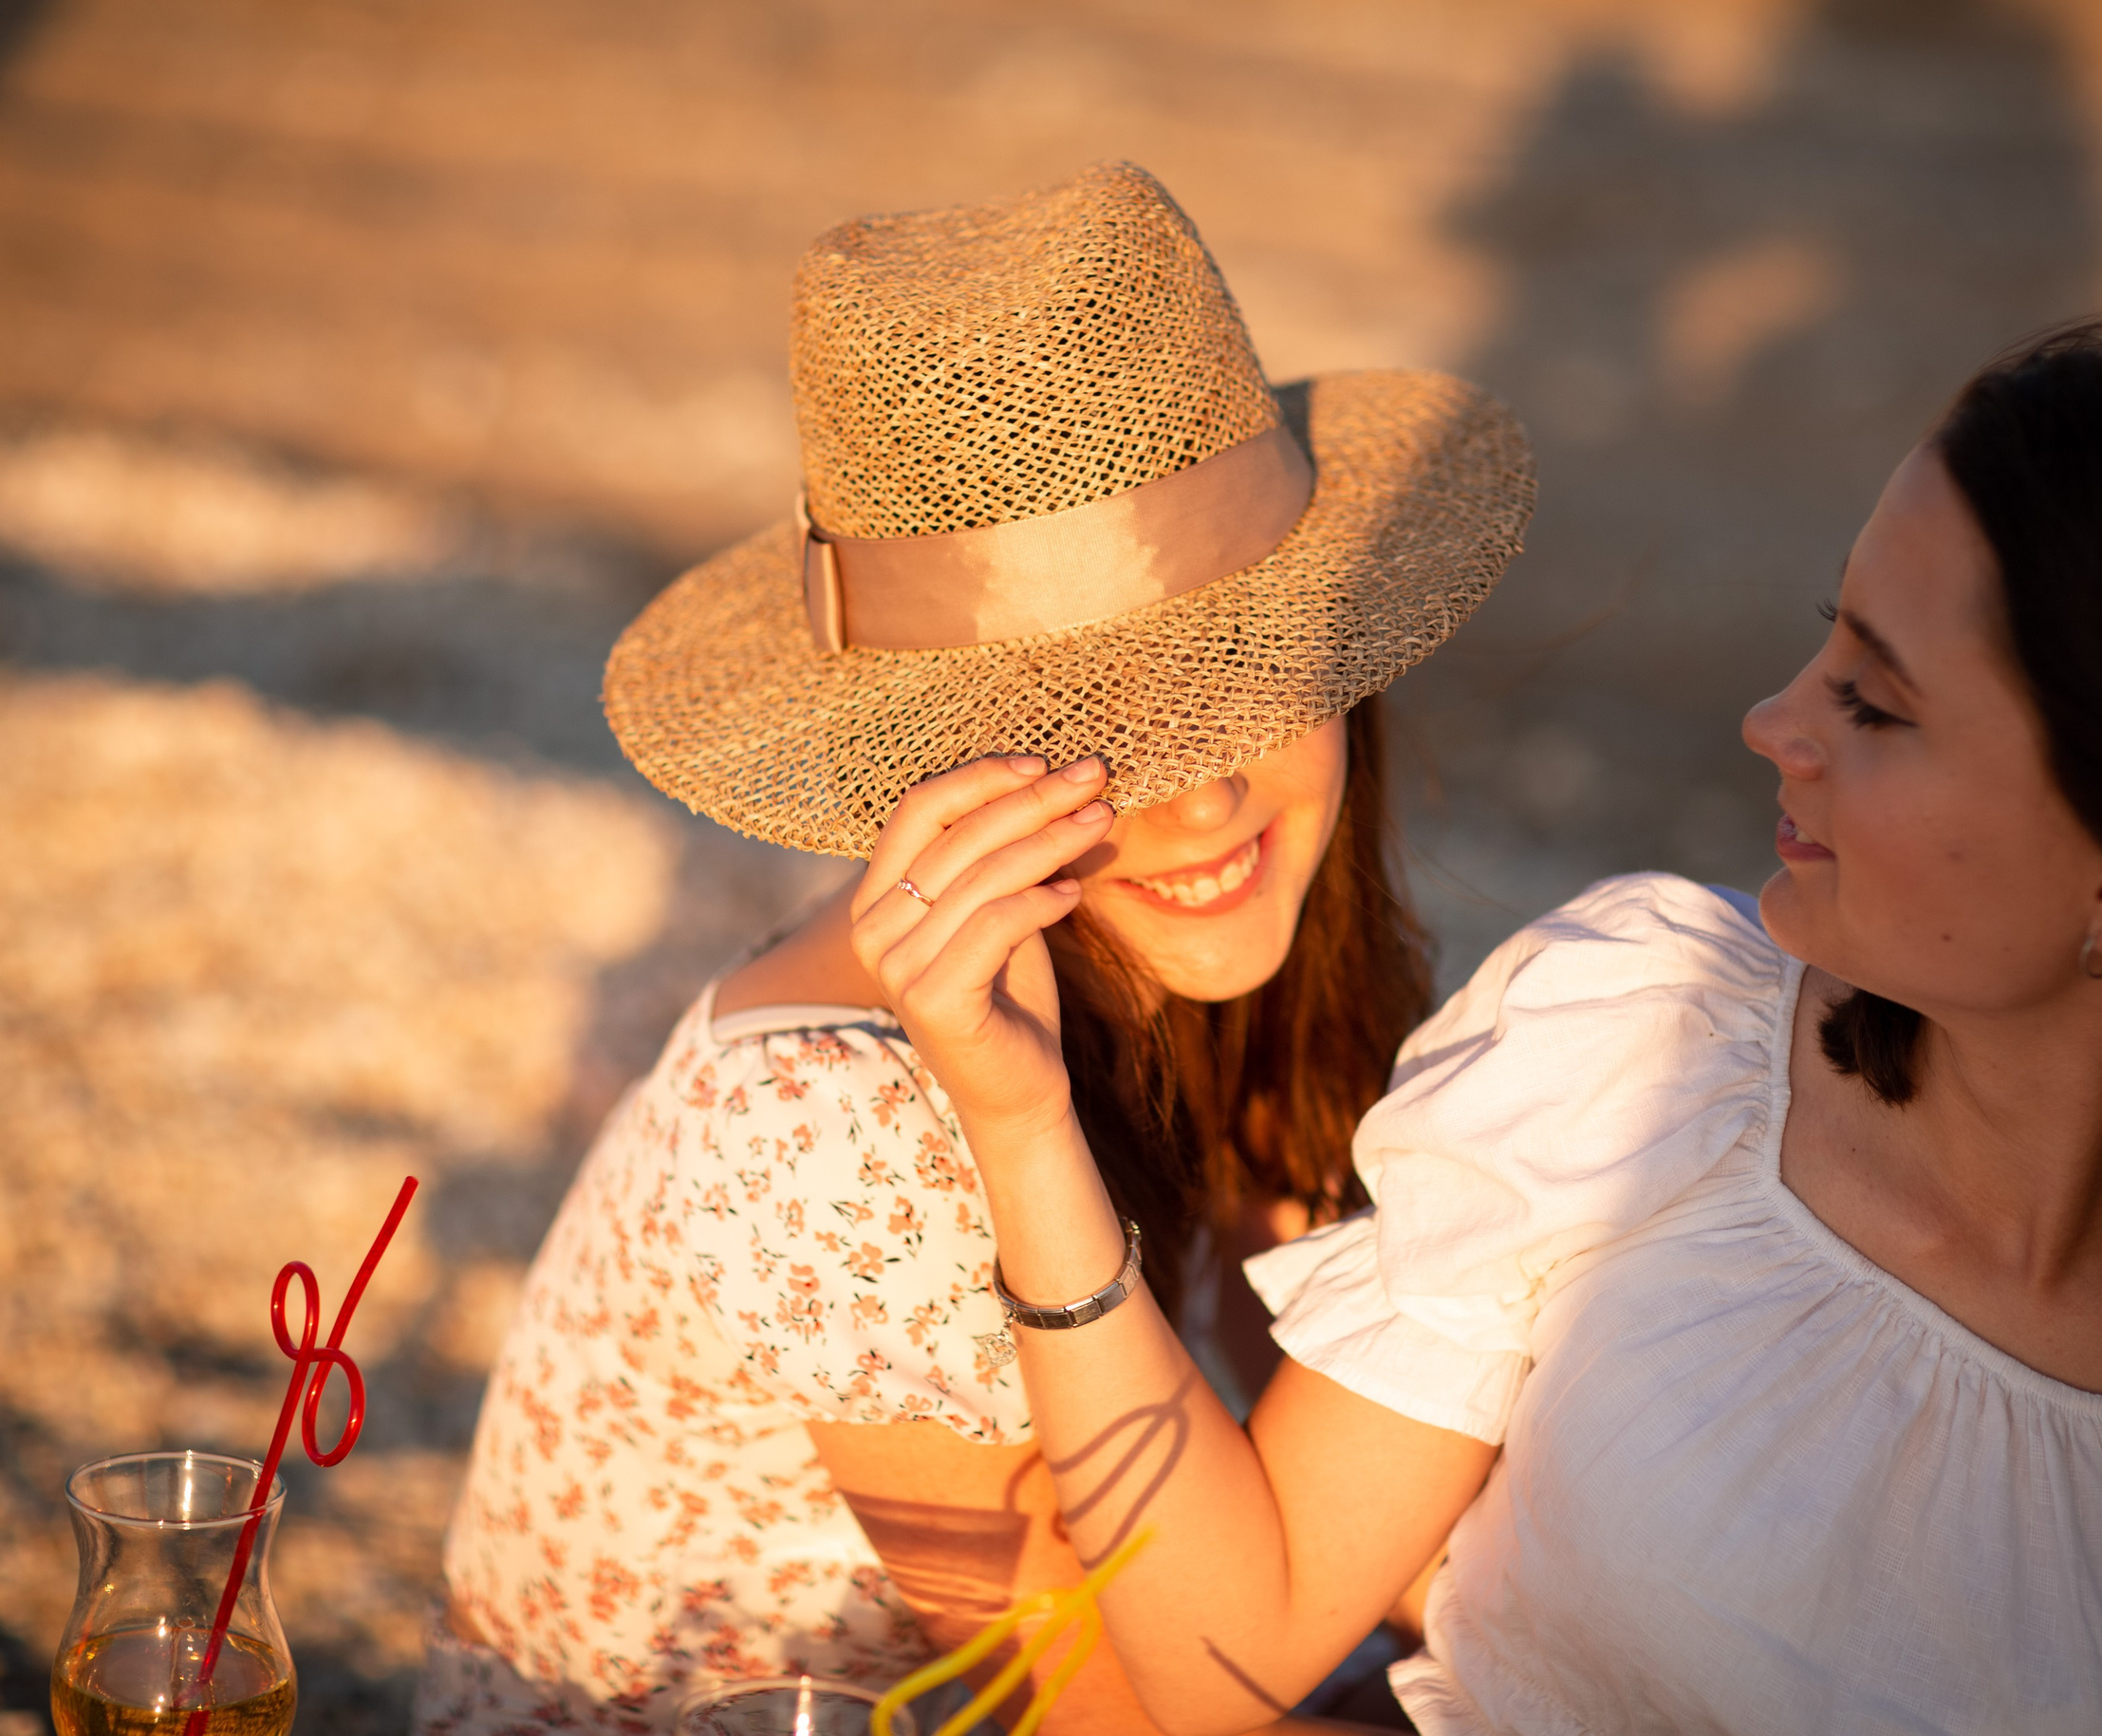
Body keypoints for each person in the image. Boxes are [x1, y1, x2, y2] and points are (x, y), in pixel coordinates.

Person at [861, 320, 2102, 1734]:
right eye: (1827, 639)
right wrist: (1022, 1119)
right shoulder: (1642, 1045)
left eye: (1876, 703)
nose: (1776, 722)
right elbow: (1231, 1646)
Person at [408, 161, 1533, 1735]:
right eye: (1089, 731)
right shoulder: (835, 1131)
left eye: (1240, 679)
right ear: (917, 765)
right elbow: (1118, 1718)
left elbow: (1352, 1505)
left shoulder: (1205, 970)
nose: (1203, 796)